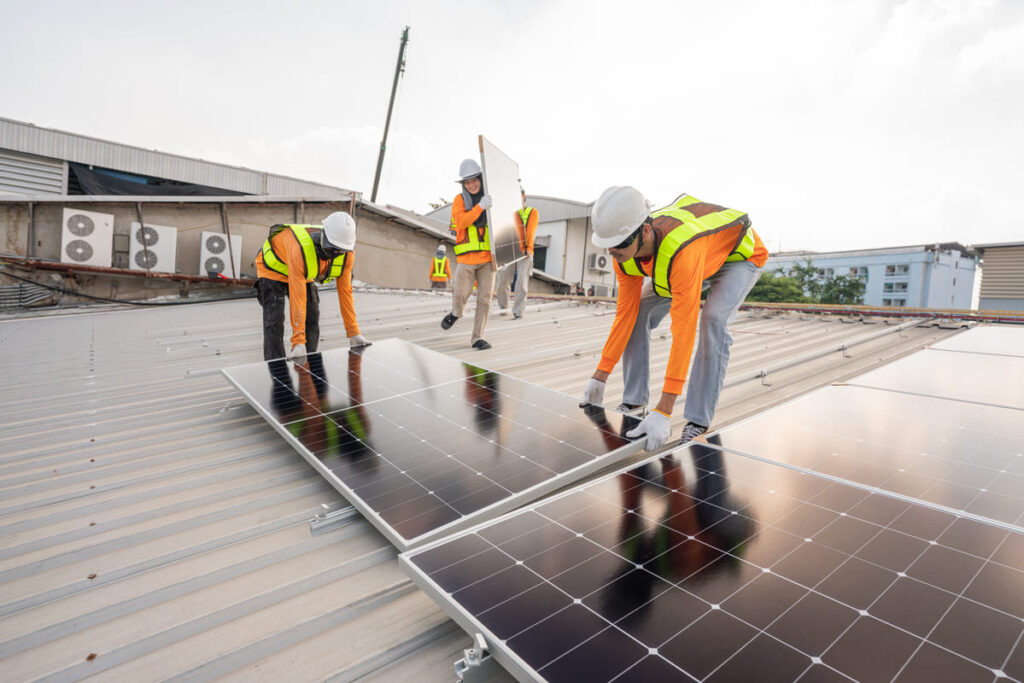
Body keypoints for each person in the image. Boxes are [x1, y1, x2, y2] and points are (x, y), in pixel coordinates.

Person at [579, 187, 768, 450]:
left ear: (645, 231)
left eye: (620, 243)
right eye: (608, 245)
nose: (614, 251)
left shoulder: (680, 252)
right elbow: (626, 313)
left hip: (739, 257)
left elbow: (683, 330)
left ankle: (698, 421)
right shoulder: (621, 255)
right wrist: (600, 374)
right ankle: (634, 402)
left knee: (712, 320)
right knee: (640, 310)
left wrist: (664, 410)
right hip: (695, 258)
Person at [254, 212, 370, 361]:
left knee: (312, 314)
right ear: (323, 237)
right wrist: (298, 342)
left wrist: (353, 333)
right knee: (274, 320)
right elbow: (298, 297)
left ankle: (308, 361)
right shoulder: (300, 249)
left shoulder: (346, 254)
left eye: (340, 251)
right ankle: (277, 370)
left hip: (302, 271)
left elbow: (345, 292)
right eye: (331, 249)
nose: (335, 254)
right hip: (272, 270)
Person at [440, 159, 495, 350]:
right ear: (463, 184)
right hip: (467, 259)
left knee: (484, 299)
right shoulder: (460, 200)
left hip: (488, 259)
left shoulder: (491, 198)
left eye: (474, 180)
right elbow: (462, 222)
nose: (471, 184)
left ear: (480, 178)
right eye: (467, 182)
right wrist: (480, 207)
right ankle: (456, 312)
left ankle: (477, 338)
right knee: (461, 294)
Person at [496, 188, 538, 319]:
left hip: (524, 250)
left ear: (523, 196)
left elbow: (530, 230)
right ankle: (503, 307)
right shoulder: (507, 212)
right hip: (508, 251)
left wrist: (528, 247)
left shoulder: (531, 212)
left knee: (521, 281)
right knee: (502, 280)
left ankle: (518, 311)